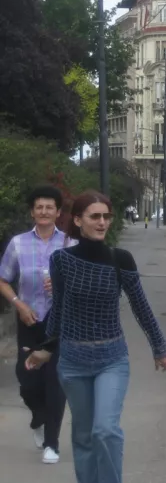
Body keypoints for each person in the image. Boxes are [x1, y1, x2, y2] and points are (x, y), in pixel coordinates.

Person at [24, 190, 166, 483]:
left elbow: (140, 306)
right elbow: (60, 309)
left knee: (105, 430)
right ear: (78, 220)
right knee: (83, 434)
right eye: (95, 216)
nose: (102, 222)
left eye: (106, 216)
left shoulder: (121, 259)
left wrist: (159, 346)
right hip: (73, 361)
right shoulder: (62, 260)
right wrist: (46, 348)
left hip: (111, 359)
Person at [0, 185, 76, 464]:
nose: (44, 212)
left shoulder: (70, 244)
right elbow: (3, 279)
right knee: (27, 380)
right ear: (33, 212)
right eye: (39, 207)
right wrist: (18, 304)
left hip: (60, 323)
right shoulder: (18, 243)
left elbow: (79, 284)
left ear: (58, 212)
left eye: (49, 207)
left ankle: (52, 444)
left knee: (55, 381)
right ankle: (38, 418)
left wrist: (61, 285)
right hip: (29, 320)